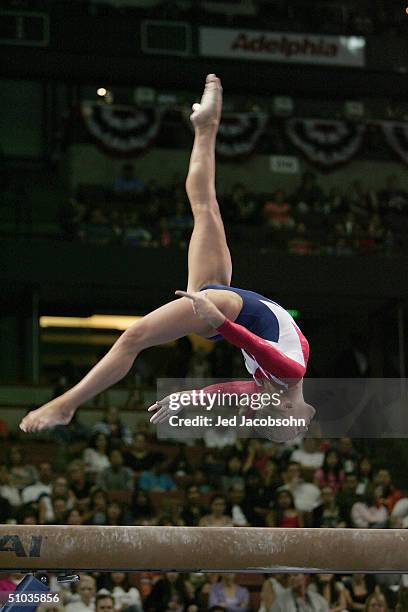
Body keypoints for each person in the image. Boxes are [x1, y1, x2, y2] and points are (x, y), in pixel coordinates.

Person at [20, 74, 314, 444]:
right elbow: (253, 347)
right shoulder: (289, 371)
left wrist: (186, 398)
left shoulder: (274, 386)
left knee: (206, 208)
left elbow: (231, 390)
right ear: (286, 408)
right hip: (224, 307)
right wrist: (219, 322)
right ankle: (67, 405)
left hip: (228, 302)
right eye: (268, 415)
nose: (258, 407)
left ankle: (206, 127)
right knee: (133, 338)